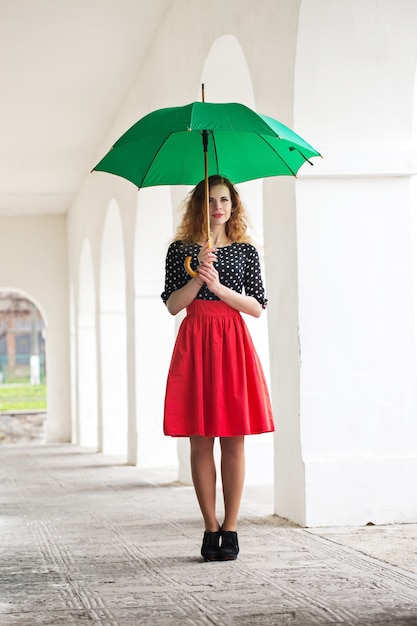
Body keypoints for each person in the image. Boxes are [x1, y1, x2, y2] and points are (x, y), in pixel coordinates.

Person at [161, 175, 274, 562]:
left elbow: (257, 307)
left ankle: (232, 526)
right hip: (195, 340)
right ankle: (210, 528)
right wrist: (198, 277)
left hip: (231, 341)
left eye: (225, 200)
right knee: (199, 439)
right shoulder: (181, 251)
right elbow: (174, 305)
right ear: (199, 205)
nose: (218, 207)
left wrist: (220, 286)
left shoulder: (245, 252)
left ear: (234, 205)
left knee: (234, 439)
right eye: (210, 200)